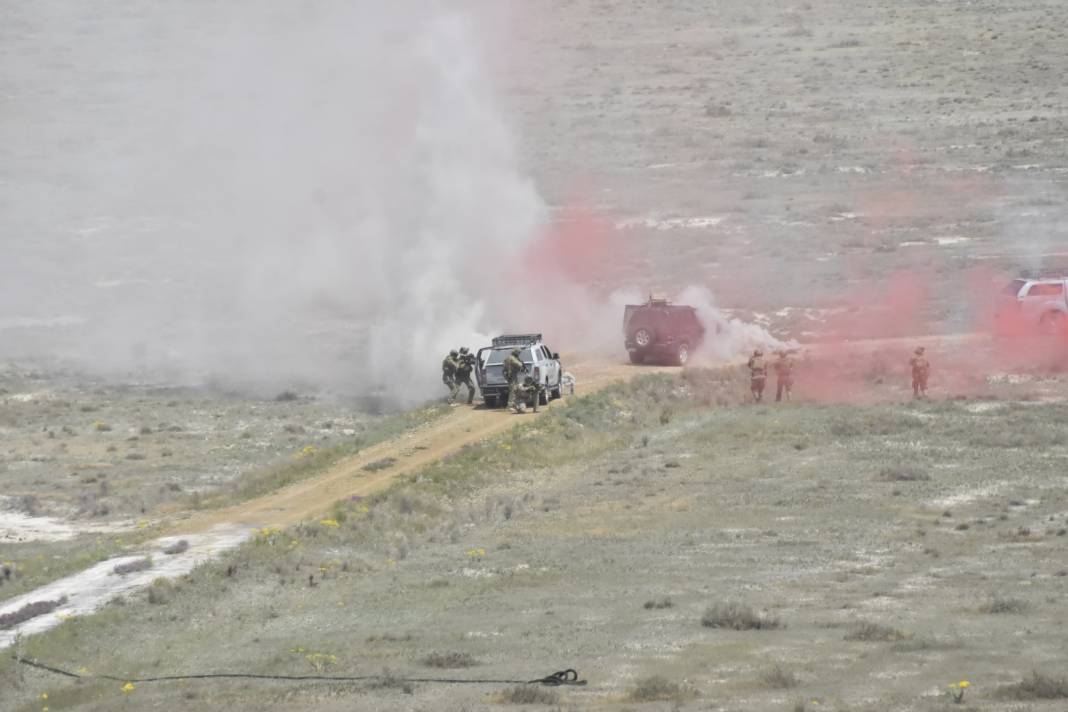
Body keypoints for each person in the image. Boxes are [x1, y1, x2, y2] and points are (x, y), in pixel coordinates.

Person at [502, 347, 526, 413]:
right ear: (515, 352)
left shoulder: (510, 357)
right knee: (513, 391)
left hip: (512, 376)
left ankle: (514, 405)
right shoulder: (512, 358)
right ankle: (510, 406)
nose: (519, 354)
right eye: (518, 353)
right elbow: (519, 365)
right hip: (511, 376)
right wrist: (521, 363)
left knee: (514, 390)